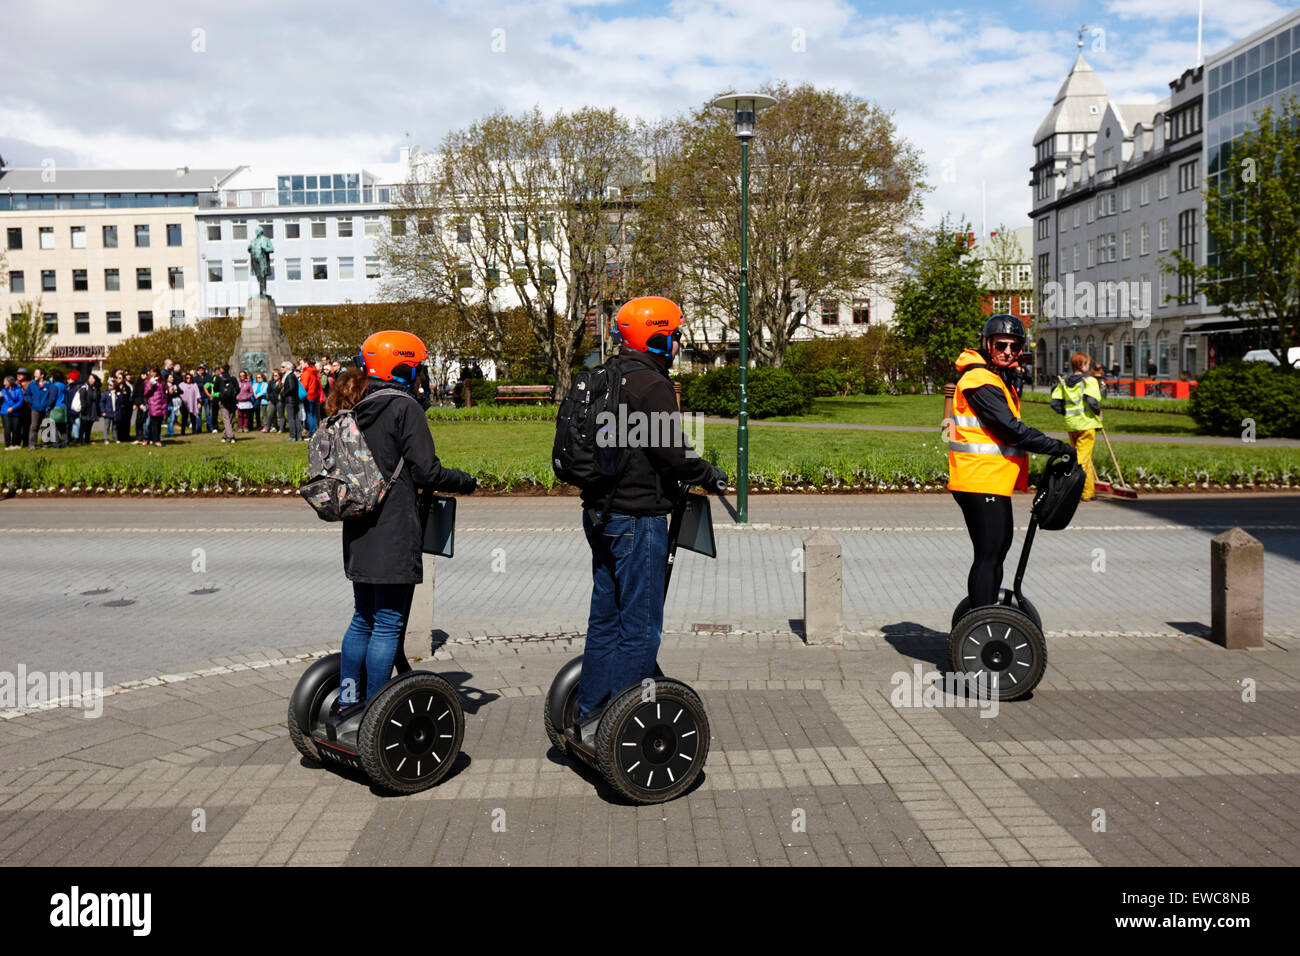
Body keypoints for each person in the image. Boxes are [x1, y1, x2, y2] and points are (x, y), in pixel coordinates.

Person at [572, 296, 727, 741]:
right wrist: (708, 473)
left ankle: (591, 711)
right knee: (640, 629)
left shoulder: (606, 376)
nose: (678, 343)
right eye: (675, 334)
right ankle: (618, 729)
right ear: (658, 337)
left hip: (600, 513)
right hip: (639, 518)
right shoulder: (651, 384)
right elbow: (672, 453)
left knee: (606, 620)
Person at [334, 331, 477, 714]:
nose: (421, 376)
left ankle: (350, 697)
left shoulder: (355, 404)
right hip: (393, 530)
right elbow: (427, 472)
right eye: (417, 367)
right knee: (387, 623)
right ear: (402, 365)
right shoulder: (404, 407)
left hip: (359, 528)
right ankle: (378, 709)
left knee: (362, 617)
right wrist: (465, 480)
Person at [948, 314, 1074, 611]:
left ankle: (983, 612)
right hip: (979, 480)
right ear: (987, 343)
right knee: (989, 554)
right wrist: (1056, 447)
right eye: (1001, 344)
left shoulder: (991, 377)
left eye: (1015, 347)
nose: (1008, 351)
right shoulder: (979, 380)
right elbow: (1010, 429)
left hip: (988, 480)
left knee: (997, 550)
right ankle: (981, 622)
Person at [1051, 352, 1103, 502]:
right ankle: (1080, 491)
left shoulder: (1064, 382)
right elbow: (1092, 402)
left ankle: (1088, 490)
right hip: (1086, 425)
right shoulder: (1089, 381)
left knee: (1083, 458)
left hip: (1072, 425)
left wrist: (1066, 413)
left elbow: (1055, 404)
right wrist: (1098, 413)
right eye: (1087, 363)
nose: (1089, 366)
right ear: (1082, 365)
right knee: (1082, 460)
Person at [25, 367, 52, 449]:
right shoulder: (32, 384)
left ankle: (45, 444)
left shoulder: (48, 384)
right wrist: (32, 402)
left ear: (42, 375)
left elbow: (51, 396)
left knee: (46, 426)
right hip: (35, 408)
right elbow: (27, 394)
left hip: (45, 408)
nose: (34, 375)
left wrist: (47, 404)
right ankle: (32, 444)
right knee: (34, 426)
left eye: (36, 373)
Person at [213, 364, 238, 442]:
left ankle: (231, 436)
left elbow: (215, 389)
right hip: (232, 401)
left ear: (222, 369)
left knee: (226, 419)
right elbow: (238, 389)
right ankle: (225, 435)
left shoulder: (218, 378)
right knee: (231, 419)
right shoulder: (233, 378)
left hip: (223, 400)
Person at [74, 373, 101, 444]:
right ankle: (80, 441)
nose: (91, 380)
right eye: (90, 378)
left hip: (93, 410)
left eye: (93, 378)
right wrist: (83, 409)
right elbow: (82, 399)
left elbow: (98, 399)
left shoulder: (96, 389)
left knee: (89, 426)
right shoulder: (84, 388)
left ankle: (87, 440)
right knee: (82, 426)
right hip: (85, 410)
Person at [143, 367, 167, 447]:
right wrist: (150, 385)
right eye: (151, 372)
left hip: (162, 404)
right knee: (154, 423)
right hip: (154, 404)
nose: (152, 373)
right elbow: (146, 393)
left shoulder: (161, 381)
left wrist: (169, 389)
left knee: (159, 423)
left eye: (154, 372)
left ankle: (157, 439)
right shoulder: (148, 381)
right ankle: (155, 440)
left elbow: (165, 389)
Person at [2, 375, 25, 449]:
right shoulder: (3, 391)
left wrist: (13, 408)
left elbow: (21, 401)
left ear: (10, 382)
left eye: (5, 381)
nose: (4, 383)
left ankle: (16, 444)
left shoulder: (18, 390)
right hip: (5, 413)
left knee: (16, 429)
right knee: (7, 429)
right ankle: (8, 445)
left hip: (16, 413)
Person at [300, 358, 321, 437]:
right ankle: (313, 431)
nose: (300, 365)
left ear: (306, 363)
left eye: (301, 363)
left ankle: (312, 432)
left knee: (310, 415)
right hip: (313, 395)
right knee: (312, 415)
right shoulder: (313, 371)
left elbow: (304, 386)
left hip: (308, 396)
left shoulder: (306, 373)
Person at [279, 361, 300, 440]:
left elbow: (291, 388)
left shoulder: (289, 376)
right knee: (295, 418)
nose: (281, 368)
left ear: (288, 368)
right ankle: (298, 436)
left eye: (283, 367)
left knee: (291, 418)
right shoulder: (291, 376)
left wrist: (284, 393)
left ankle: (292, 436)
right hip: (293, 399)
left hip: (290, 400)